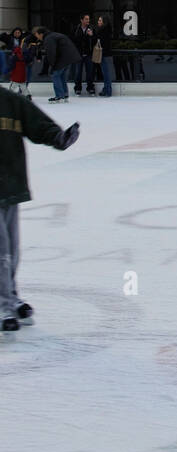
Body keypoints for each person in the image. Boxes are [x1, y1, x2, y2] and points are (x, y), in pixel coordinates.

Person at [0, 85, 80, 332]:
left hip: (9, 185)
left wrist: (57, 137)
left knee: (11, 249)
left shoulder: (8, 100)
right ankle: (3, 303)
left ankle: (10, 297)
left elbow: (35, 122)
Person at [31, 26, 81, 103]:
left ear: (40, 34)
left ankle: (59, 96)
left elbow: (51, 53)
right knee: (61, 76)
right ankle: (64, 94)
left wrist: (53, 65)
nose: (37, 37)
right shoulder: (53, 35)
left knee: (55, 75)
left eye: (36, 35)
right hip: (69, 57)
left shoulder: (48, 38)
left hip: (63, 58)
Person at [72, 13, 96, 96]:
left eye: (88, 19)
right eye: (86, 19)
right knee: (78, 72)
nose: (88, 21)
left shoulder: (92, 28)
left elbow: (95, 41)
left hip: (89, 54)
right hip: (78, 54)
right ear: (81, 20)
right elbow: (73, 40)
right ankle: (78, 88)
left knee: (90, 72)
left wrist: (92, 36)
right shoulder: (76, 29)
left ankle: (90, 88)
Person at [7, 31, 34, 97]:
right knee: (23, 87)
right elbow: (29, 60)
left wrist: (8, 71)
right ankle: (28, 95)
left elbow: (11, 66)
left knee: (12, 87)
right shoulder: (24, 56)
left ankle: (9, 96)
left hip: (15, 76)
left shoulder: (14, 57)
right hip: (22, 75)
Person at [94, 16, 115, 98]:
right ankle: (106, 90)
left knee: (106, 73)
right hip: (105, 54)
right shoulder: (106, 30)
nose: (98, 22)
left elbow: (100, 41)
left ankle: (107, 90)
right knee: (105, 73)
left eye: (100, 20)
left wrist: (93, 35)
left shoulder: (103, 31)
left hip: (104, 54)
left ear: (103, 22)